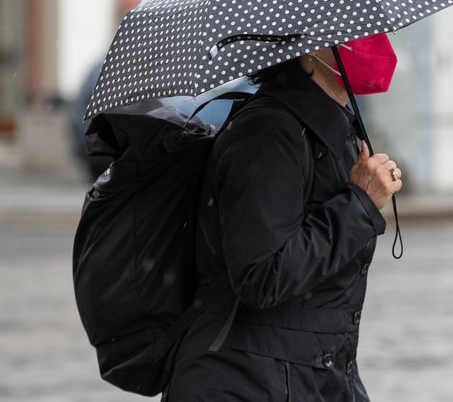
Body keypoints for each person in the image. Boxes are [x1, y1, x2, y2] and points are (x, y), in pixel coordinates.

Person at [165, 34, 403, 401]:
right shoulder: (269, 133)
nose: (368, 42)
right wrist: (359, 203)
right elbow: (262, 275)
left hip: (309, 373)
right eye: (348, 33)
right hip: (246, 381)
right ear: (307, 50)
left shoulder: (333, 126)